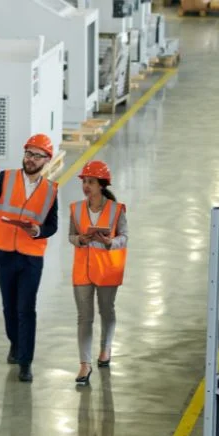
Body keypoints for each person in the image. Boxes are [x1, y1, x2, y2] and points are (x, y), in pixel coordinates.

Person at [0, 134, 60, 383]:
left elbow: (52, 225)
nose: (30, 159)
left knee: (27, 309)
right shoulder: (5, 178)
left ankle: (25, 361)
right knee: (9, 307)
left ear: (46, 160)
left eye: (36, 155)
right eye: (28, 154)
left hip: (31, 257)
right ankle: (14, 342)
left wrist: (38, 231)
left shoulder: (50, 190)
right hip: (3, 253)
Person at [69, 160, 127, 386]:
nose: (86, 186)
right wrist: (80, 239)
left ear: (101, 185)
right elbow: (71, 236)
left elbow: (125, 237)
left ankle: (105, 348)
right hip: (82, 270)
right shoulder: (75, 209)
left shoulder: (116, 210)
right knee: (84, 317)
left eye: (91, 182)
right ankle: (84, 363)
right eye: (84, 181)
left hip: (106, 270)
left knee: (106, 310)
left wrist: (110, 242)